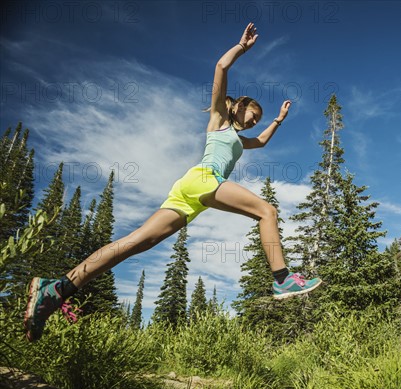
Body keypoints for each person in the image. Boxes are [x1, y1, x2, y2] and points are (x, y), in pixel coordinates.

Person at [24, 23, 322, 342]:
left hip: (189, 195)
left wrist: (277, 120)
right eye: (254, 114)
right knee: (266, 211)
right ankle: (282, 278)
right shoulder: (220, 119)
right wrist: (242, 48)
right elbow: (221, 66)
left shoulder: (238, 137)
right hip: (203, 180)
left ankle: (55, 290)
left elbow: (260, 142)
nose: (255, 121)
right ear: (240, 106)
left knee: (132, 245)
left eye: (258, 119)